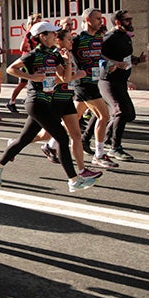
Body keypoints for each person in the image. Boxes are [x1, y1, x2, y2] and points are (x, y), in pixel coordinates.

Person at [0, 22, 101, 192]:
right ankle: (73, 180)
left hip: (47, 101)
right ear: (42, 36)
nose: (55, 36)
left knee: (25, 139)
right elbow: (11, 69)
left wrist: (68, 63)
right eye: (52, 34)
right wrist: (30, 76)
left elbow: (64, 78)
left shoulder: (53, 55)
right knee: (62, 137)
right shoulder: (34, 55)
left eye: (56, 34)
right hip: (35, 102)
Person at [36, 28, 102, 182]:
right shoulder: (55, 56)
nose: (73, 42)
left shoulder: (68, 54)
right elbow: (55, 79)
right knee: (44, 135)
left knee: (76, 135)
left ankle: (82, 170)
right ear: (59, 41)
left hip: (67, 99)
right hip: (55, 100)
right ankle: (16, 145)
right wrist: (76, 75)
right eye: (69, 39)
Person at [96, 9, 147, 161]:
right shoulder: (109, 37)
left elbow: (125, 57)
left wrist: (138, 59)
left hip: (120, 81)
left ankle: (89, 139)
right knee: (120, 112)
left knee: (128, 114)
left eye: (130, 19)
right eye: (127, 20)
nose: (130, 22)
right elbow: (97, 53)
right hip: (108, 80)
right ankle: (114, 147)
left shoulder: (125, 37)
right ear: (117, 22)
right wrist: (114, 63)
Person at [73, 8, 119, 168]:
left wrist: (107, 65)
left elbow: (98, 58)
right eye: (98, 18)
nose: (101, 21)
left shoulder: (98, 39)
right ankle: (99, 155)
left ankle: (50, 145)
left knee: (73, 118)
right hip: (83, 83)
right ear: (87, 19)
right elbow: (64, 56)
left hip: (93, 81)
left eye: (101, 18)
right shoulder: (77, 39)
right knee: (104, 116)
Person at [6, 13, 42, 114]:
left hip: (35, 61)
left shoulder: (37, 34)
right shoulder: (29, 33)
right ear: (32, 22)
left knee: (32, 81)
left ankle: (28, 98)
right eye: (38, 21)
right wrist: (32, 50)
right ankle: (11, 101)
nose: (39, 23)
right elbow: (22, 48)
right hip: (26, 62)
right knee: (23, 83)